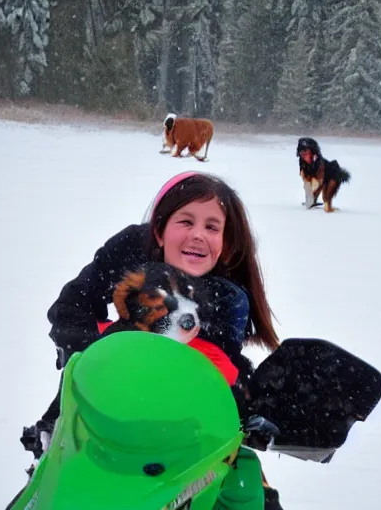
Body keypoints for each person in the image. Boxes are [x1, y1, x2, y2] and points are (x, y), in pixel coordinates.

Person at [21, 171, 284, 509]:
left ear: (226, 243)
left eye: (212, 227)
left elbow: (224, 365)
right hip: (99, 417)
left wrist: (249, 408)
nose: (198, 235)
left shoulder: (227, 298)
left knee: (249, 490)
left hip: (186, 435)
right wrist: (91, 358)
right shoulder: (128, 256)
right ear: (160, 230)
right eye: (185, 221)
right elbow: (72, 307)